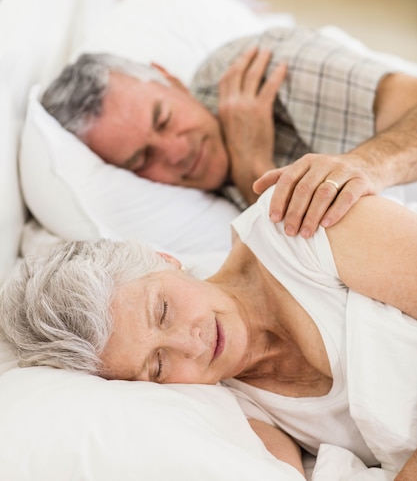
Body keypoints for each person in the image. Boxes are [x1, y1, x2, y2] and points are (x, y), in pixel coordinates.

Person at [1, 189, 416, 479]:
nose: (191, 345)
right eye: (158, 365)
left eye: (163, 311)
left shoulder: (299, 227)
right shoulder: (231, 407)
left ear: (164, 259)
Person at [41, 25, 417, 237]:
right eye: (143, 158)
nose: (176, 151)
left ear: (170, 80)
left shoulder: (257, 66)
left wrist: (365, 166)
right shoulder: (190, 215)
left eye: (164, 118)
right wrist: (253, 167)